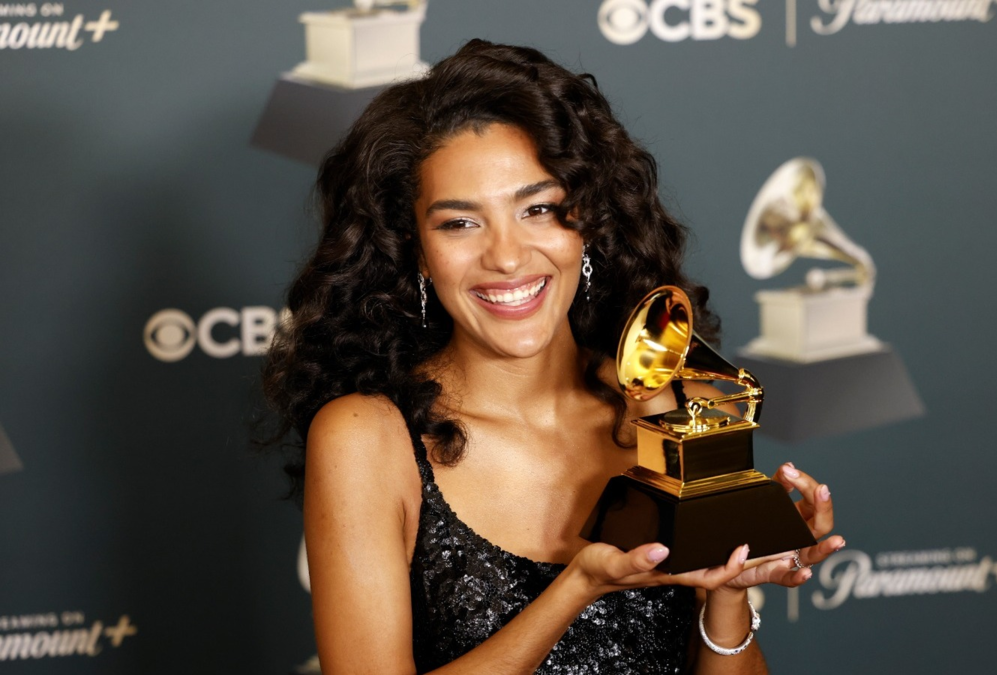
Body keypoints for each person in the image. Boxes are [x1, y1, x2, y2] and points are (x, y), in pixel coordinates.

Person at [262, 39, 844, 675]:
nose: (507, 257)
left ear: (586, 223)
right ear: (416, 249)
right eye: (460, 223)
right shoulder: (368, 438)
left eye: (538, 209)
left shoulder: (671, 405)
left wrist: (727, 591)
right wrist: (578, 586)